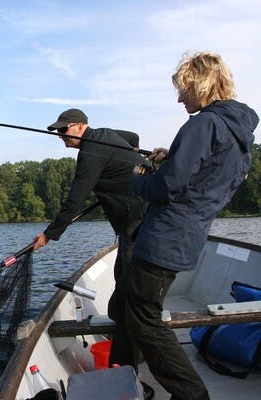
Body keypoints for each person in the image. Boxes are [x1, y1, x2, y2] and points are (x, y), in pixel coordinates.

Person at [123, 51, 258, 399]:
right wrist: (174, 159)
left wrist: (138, 174)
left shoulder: (203, 124)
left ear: (200, 84)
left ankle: (192, 395)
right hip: (188, 238)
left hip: (163, 238)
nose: (180, 97)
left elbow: (164, 188)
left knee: (144, 321)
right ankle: (133, 378)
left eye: (184, 89)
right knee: (137, 309)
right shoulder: (238, 133)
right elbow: (207, 176)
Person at [32, 108, 148, 369]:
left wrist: (49, 235)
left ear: (80, 127)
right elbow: (133, 138)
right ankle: (123, 353)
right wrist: (126, 168)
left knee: (129, 297)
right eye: (57, 131)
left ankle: (130, 361)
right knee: (120, 294)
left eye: (63, 130)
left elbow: (75, 198)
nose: (60, 136)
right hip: (141, 219)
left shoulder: (91, 152)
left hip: (137, 223)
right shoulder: (106, 135)